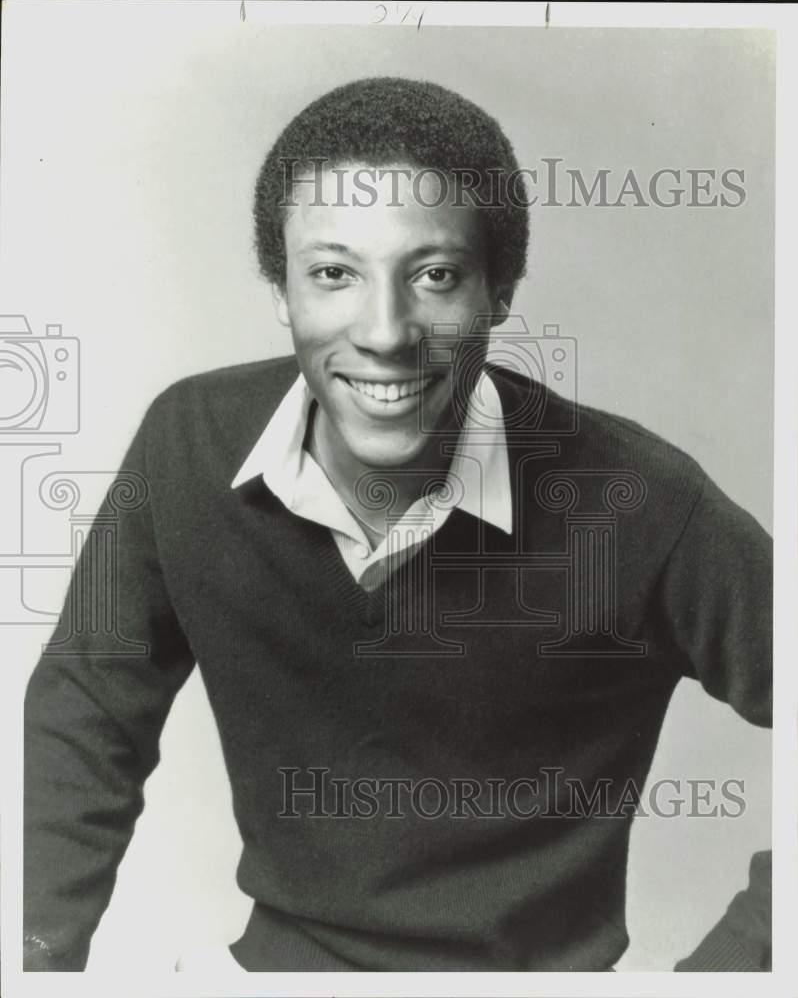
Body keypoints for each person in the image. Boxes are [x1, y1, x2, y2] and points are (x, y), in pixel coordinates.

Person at [24, 76, 771, 973]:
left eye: (435, 275)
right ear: (281, 288)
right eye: (333, 273)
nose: (385, 332)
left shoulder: (638, 500)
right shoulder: (186, 441)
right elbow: (83, 717)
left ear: (499, 292)